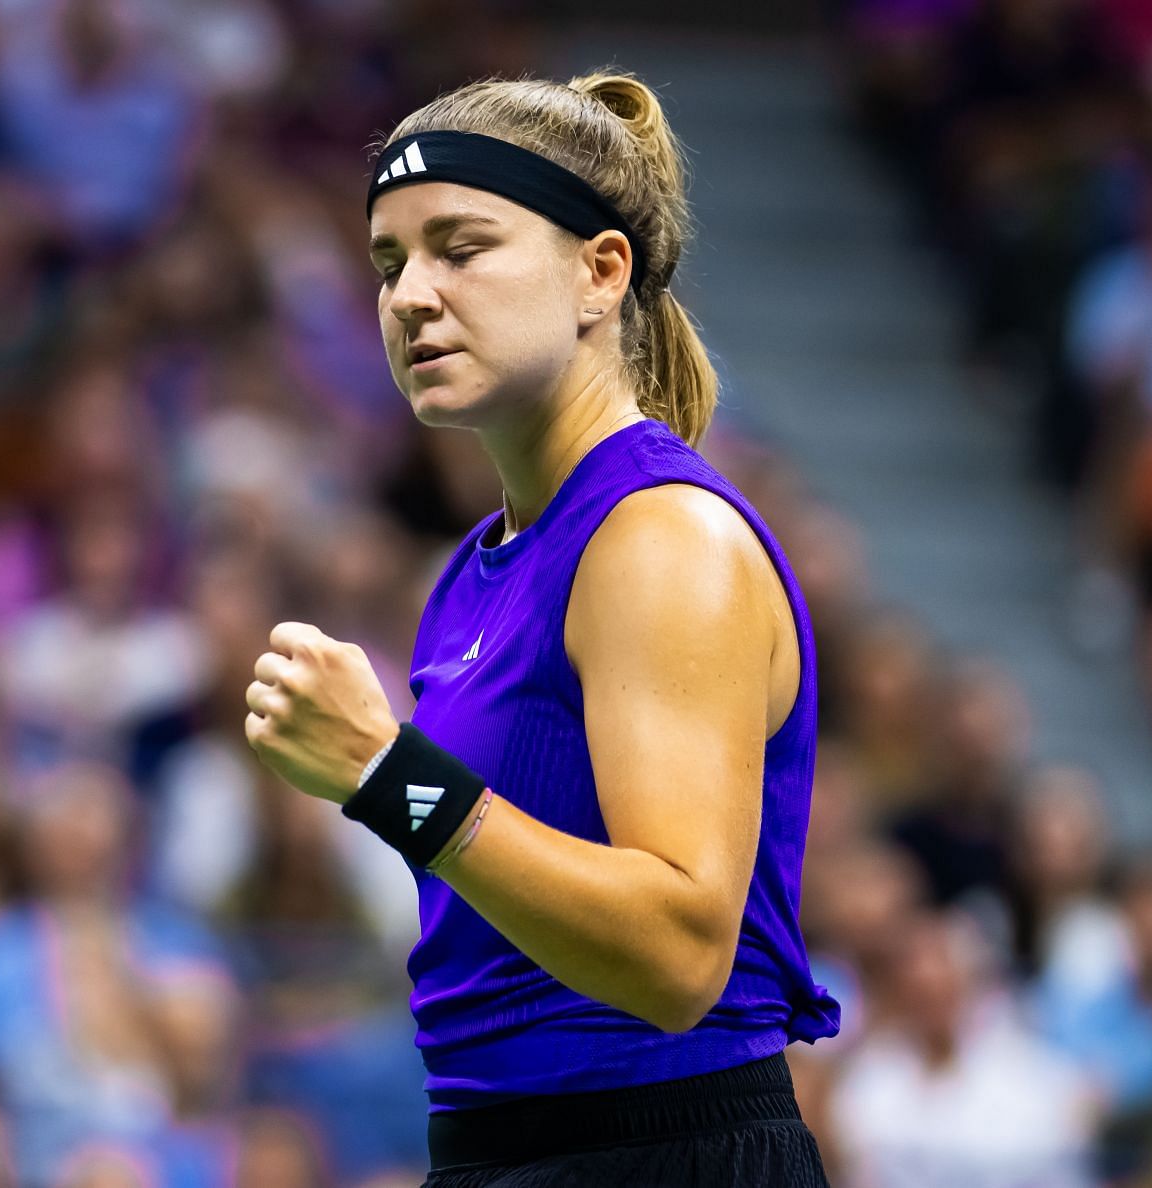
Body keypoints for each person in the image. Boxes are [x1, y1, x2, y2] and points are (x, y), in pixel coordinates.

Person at [242, 69, 840, 1185]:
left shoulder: (661, 539)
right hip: (495, 1153)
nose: (411, 295)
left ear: (599, 273)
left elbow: (677, 954)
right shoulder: (473, 571)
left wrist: (385, 772)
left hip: (663, 1152)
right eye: (388, 263)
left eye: (460, 248)